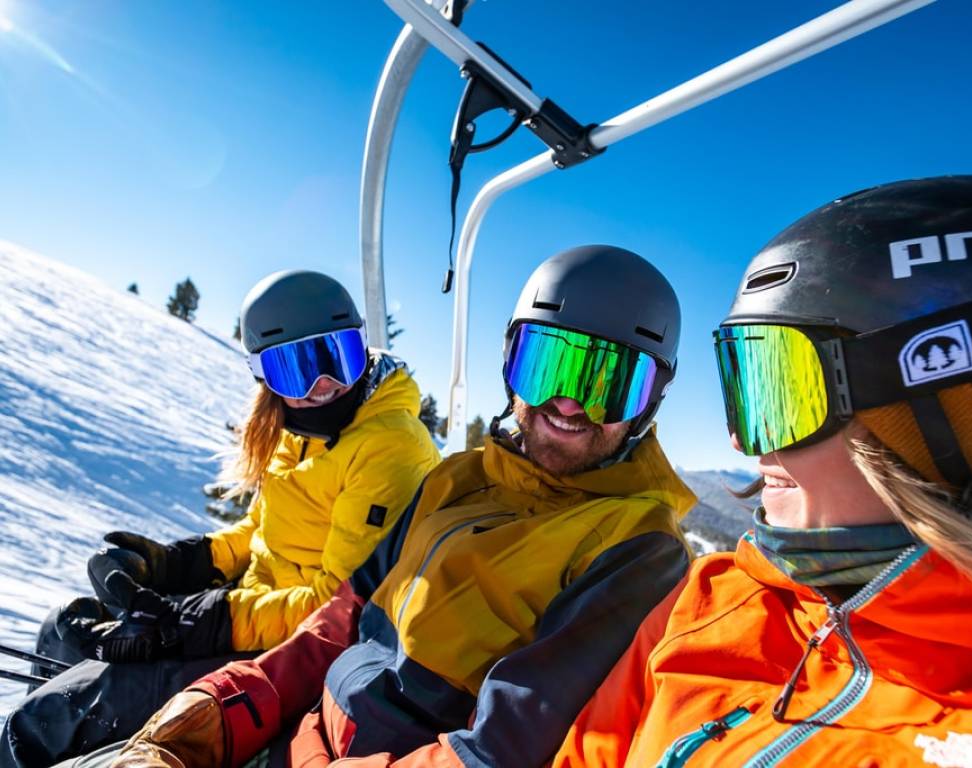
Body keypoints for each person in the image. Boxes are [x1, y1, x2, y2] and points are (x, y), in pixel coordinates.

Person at [94, 244, 697, 768]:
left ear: (649, 402)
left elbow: (504, 751)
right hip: (306, 730)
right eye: (548, 366)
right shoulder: (459, 478)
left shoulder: (639, 547)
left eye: (607, 384)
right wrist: (225, 708)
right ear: (511, 366)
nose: (568, 405)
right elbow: (341, 619)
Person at [553, 175, 972, 767]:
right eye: (750, 387)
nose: (739, 438)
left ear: (947, 411)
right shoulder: (714, 597)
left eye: (785, 392)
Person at [0, 269, 440, 768]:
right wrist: (173, 565)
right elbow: (260, 531)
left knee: (60, 713)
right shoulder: (298, 432)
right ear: (263, 376)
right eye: (295, 369)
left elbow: (336, 606)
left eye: (339, 357)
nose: (323, 386)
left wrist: (198, 621)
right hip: (253, 615)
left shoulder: (389, 447)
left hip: (298, 653)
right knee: (65, 630)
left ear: (362, 348)